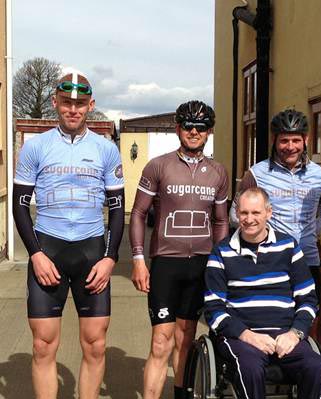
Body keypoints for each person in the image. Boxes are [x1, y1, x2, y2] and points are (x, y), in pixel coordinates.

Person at [13, 72, 125, 399]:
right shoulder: (36, 147)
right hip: (48, 250)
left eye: (79, 103)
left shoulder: (106, 150)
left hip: (92, 254)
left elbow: (118, 209)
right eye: (66, 103)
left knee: (95, 346)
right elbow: (20, 207)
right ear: (55, 103)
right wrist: (35, 253)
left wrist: (110, 258)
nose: (73, 110)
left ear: (91, 105)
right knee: (42, 345)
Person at [129, 100, 229, 399]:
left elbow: (221, 221)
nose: (194, 132)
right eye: (188, 125)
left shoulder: (218, 172)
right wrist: (137, 259)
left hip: (200, 264)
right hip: (166, 264)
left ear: (209, 131)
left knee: (186, 339)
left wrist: (220, 260)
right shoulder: (158, 165)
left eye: (200, 127)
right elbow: (137, 214)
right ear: (177, 128)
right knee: (161, 341)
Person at [205, 187, 321, 399]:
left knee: (317, 368)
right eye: (244, 213)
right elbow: (214, 308)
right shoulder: (221, 252)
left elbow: (308, 299)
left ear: (268, 213)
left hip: (285, 334)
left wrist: (295, 333)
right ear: (237, 214)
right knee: (250, 369)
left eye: (256, 213)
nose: (249, 219)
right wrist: (248, 335)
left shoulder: (289, 246)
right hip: (241, 337)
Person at [230, 109, 321, 300]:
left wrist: (318, 230)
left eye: (296, 140)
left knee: (309, 317)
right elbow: (234, 214)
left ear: (306, 140)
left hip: (307, 259)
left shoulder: (319, 175)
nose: (290, 147)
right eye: (284, 140)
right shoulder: (256, 174)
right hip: (269, 260)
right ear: (274, 140)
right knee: (270, 319)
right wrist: (261, 233)